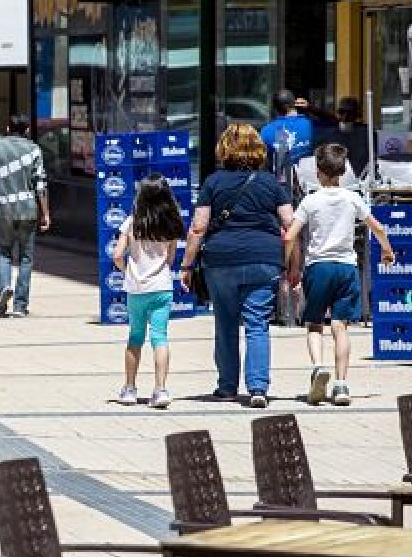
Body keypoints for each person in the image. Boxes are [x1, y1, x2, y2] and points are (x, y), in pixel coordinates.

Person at [180, 124, 294, 408]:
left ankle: (227, 387)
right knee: (258, 324)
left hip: (221, 260)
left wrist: (186, 264)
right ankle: (257, 388)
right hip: (264, 259)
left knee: (226, 323)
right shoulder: (271, 183)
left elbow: (198, 227)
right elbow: (290, 225)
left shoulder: (213, 182)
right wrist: (293, 264)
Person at [284, 143, 396, 406]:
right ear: (343, 170)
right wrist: (387, 250)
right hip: (346, 267)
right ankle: (342, 384)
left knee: (314, 324)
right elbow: (378, 227)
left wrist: (289, 264)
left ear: (318, 171)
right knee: (340, 327)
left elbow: (290, 235)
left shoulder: (310, 201)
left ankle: (318, 368)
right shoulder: (352, 198)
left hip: (318, 267)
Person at [112, 173, 185, 409]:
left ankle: (130, 389)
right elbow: (171, 258)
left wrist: (127, 271)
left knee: (135, 338)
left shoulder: (132, 222)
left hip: (136, 288)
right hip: (162, 286)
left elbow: (116, 255)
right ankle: (160, 389)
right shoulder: (171, 224)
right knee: (160, 337)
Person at [0, 115, 49, 318]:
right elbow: (40, 184)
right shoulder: (34, 149)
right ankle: (20, 305)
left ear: (8, 128)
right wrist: (45, 213)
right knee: (26, 258)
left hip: (4, 209)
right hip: (28, 209)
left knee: (4, 253)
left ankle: (3, 289)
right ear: (27, 130)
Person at [316, 96, 375, 180]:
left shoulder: (367, 134)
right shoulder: (327, 135)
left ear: (356, 114)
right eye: (341, 112)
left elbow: (374, 159)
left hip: (362, 182)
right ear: (337, 113)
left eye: (349, 113)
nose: (345, 117)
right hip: (335, 182)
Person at [260, 89, 314, 175]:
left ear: (275, 109)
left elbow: (261, 162)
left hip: (279, 184)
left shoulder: (267, 131)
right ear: (294, 103)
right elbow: (333, 121)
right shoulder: (311, 125)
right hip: (307, 183)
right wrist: (310, 108)